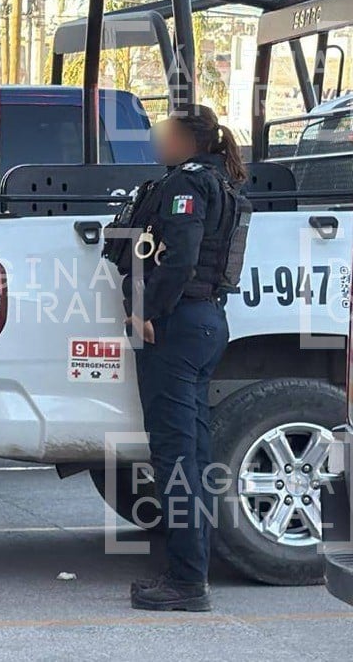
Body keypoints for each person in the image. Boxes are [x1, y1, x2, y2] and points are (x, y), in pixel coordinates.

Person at [116, 105, 248, 612]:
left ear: (187, 141)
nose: (156, 142)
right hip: (206, 321)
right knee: (192, 455)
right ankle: (192, 569)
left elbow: (181, 256)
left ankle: (187, 582)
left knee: (176, 458)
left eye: (163, 134)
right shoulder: (220, 181)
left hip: (177, 326)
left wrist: (147, 311)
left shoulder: (186, 185)